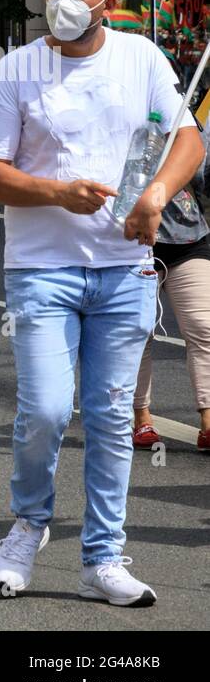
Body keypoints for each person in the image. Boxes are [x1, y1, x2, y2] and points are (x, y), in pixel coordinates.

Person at [0, 0, 205, 606]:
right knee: (45, 408)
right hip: (42, 269)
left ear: (108, 0)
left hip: (124, 269)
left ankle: (102, 557)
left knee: (108, 416)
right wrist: (55, 193)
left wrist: (157, 194)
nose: (63, 1)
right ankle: (27, 524)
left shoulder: (141, 59)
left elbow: (187, 138)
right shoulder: (15, 70)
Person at [133, 122, 210, 451]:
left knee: (204, 328)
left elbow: (204, 176)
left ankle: (208, 421)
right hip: (133, 241)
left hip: (188, 237)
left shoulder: (184, 118)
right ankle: (140, 417)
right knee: (138, 332)